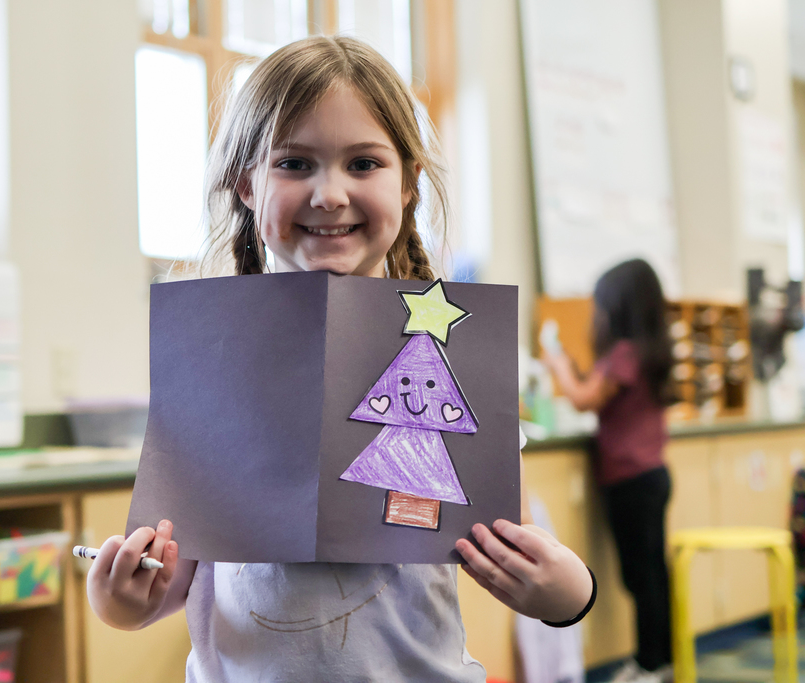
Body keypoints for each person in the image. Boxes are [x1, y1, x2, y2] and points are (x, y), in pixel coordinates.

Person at [88, 35, 594, 681]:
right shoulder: (211, 367)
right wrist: (118, 597)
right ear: (246, 184)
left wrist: (569, 590)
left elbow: (526, 554)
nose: (329, 193)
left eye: (363, 163)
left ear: (409, 181)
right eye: (294, 163)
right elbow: (168, 579)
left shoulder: (453, 363)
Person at [543, 259, 674, 683]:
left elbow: (584, 400)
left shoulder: (624, 354)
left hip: (632, 482)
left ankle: (651, 664)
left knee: (642, 577)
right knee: (653, 574)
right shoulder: (644, 351)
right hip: (649, 476)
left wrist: (557, 363)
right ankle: (660, 659)